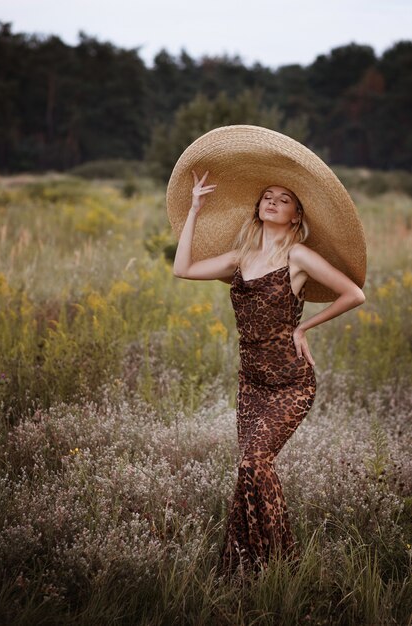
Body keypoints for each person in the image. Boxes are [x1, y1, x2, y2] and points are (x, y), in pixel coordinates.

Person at [172, 168, 366, 578]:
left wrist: (304, 325)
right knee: (248, 468)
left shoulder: (298, 255)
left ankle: (285, 563)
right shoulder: (240, 258)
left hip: (291, 382)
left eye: (283, 198)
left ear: (296, 215)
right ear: (259, 208)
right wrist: (193, 209)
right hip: (251, 384)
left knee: (255, 460)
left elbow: (354, 293)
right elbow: (182, 268)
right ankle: (245, 565)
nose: (272, 201)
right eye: (267, 196)